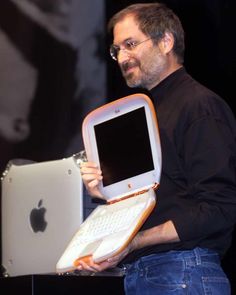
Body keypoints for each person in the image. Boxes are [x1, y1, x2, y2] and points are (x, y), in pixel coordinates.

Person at [79, 3, 236, 294]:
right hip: (147, 274)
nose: (122, 58)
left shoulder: (198, 106)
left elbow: (218, 208)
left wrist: (135, 241)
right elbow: (161, 199)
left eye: (130, 44)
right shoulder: (144, 113)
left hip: (184, 272)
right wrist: (107, 192)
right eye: (116, 50)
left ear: (166, 41)